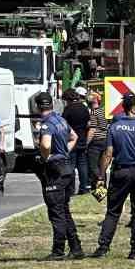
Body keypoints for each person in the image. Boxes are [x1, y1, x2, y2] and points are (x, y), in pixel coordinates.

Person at [93, 94, 135, 259]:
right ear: (134, 109)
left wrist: (101, 176)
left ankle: (103, 246)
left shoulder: (114, 127)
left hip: (120, 172)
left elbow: (108, 155)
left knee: (113, 211)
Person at [35, 92, 84, 260]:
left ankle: (58, 250)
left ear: (38, 106)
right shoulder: (61, 120)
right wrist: (64, 152)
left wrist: (45, 157)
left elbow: (46, 144)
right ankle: (76, 248)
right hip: (67, 168)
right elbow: (74, 137)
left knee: (56, 212)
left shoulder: (47, 124)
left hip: (54, 171)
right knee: (64, 210)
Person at [62, 88, 94, 192]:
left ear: (68, 99)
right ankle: (84, 187)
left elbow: (63, 124)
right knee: (82, 165)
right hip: (82, 140)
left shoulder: (68, 109)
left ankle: (70, 189)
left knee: (70, 165)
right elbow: (88, 124)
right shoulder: (84, 108)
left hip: (71, 140)